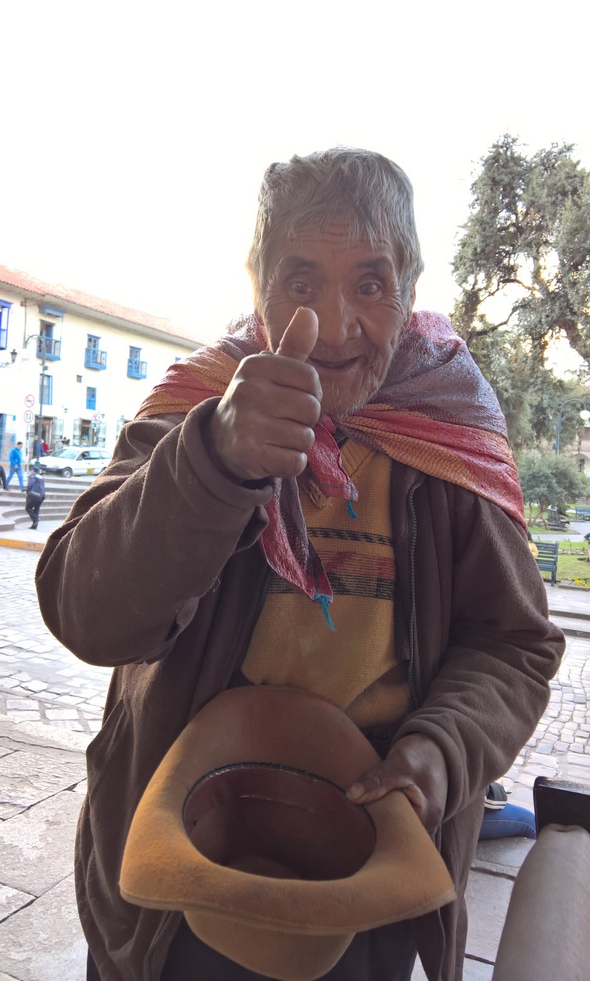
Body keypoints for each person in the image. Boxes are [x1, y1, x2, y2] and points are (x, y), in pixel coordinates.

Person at [35, 148, 565, 981]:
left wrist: (442, 749)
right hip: (181, 863)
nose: (335, 324)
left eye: (370, 284)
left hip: (370, 861)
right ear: (257, 287)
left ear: (411, 291)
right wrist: (214, 459)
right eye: (301, 282)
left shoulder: (451, 430)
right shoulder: (195, 407)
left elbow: (514, 642)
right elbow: (86, 615)